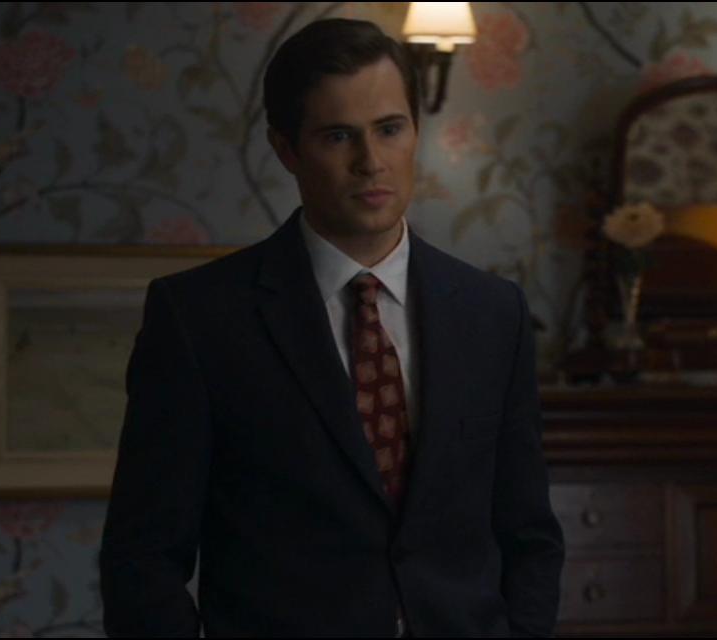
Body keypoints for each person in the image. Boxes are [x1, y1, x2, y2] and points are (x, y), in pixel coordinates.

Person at [99, 18, 564, 637]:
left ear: (415, 131)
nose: (370, 162)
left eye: (390, 129)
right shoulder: (199, 318)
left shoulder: (493, 312)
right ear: (286, 149)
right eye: (338, 136)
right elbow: (141, 558)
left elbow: (529, 534)